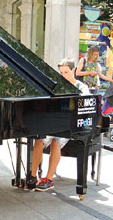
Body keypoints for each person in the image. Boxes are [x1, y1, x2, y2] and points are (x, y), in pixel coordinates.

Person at [29, 58, 90, 192]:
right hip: (54, 123)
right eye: (61, 73)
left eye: (66, 72)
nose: (63, 76)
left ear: (73, 70)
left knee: (56, 140)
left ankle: (49, 179)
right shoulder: (57, 87)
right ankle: (32, 177)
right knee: (39, 140)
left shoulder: (81, 87)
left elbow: (85, 107)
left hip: (70, 125)